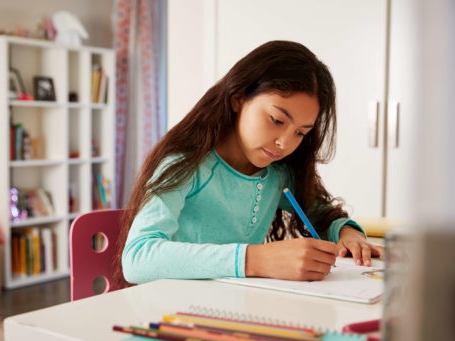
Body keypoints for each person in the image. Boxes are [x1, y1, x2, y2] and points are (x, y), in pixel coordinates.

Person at [116, 40, 383, 286]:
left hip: (237, 308)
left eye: (300, 133)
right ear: (238, 99)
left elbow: (320, 212)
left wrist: (348, 234)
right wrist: (256, 260)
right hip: (176, 313)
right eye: (277, 120)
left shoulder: (278, 175)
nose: (284, 143)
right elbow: (138, 258)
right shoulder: (186, 165)